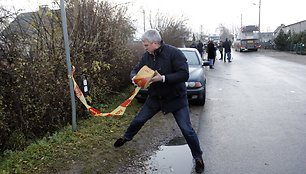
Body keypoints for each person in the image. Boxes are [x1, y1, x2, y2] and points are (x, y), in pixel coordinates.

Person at [114, 29, 205, 173]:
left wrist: (163, 78)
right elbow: (136, 70)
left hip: (176, 99)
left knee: (187, 130)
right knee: (139, 120)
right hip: (155, 98)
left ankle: (198, 157)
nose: (144, 48)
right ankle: (126, 137)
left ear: (155, 43)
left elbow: (184, 74)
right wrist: (134, 79)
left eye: (146, 45)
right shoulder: (147, 56)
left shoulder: (174, 53)